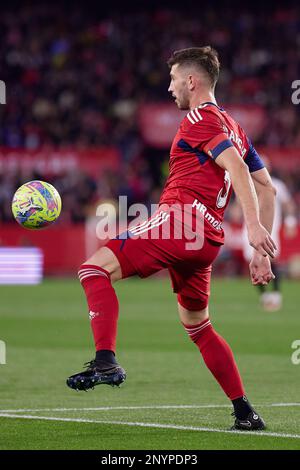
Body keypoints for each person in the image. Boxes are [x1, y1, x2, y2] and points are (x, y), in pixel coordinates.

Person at [66, 47, 277, 431]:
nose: (169, 87)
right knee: (198, 325)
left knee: (92, 269)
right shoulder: (235, 126)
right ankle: (245, 412)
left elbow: (236, 169)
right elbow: (267, 188)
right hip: (207, 239)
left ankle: (105, 359)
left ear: (191, 82)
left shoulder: (201, 118)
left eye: (174, 79)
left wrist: (252, 228)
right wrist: (261, 253)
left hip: (181, 223)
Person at [243, 156, 297, 311]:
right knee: (252, 262)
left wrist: (291, 221)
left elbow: (288, 205)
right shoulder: (246, 184)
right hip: (248, 229)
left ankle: (276, 294)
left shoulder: (275, 184)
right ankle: (265, 296)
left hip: (269, 228)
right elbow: (238, 208)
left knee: (272, 260)